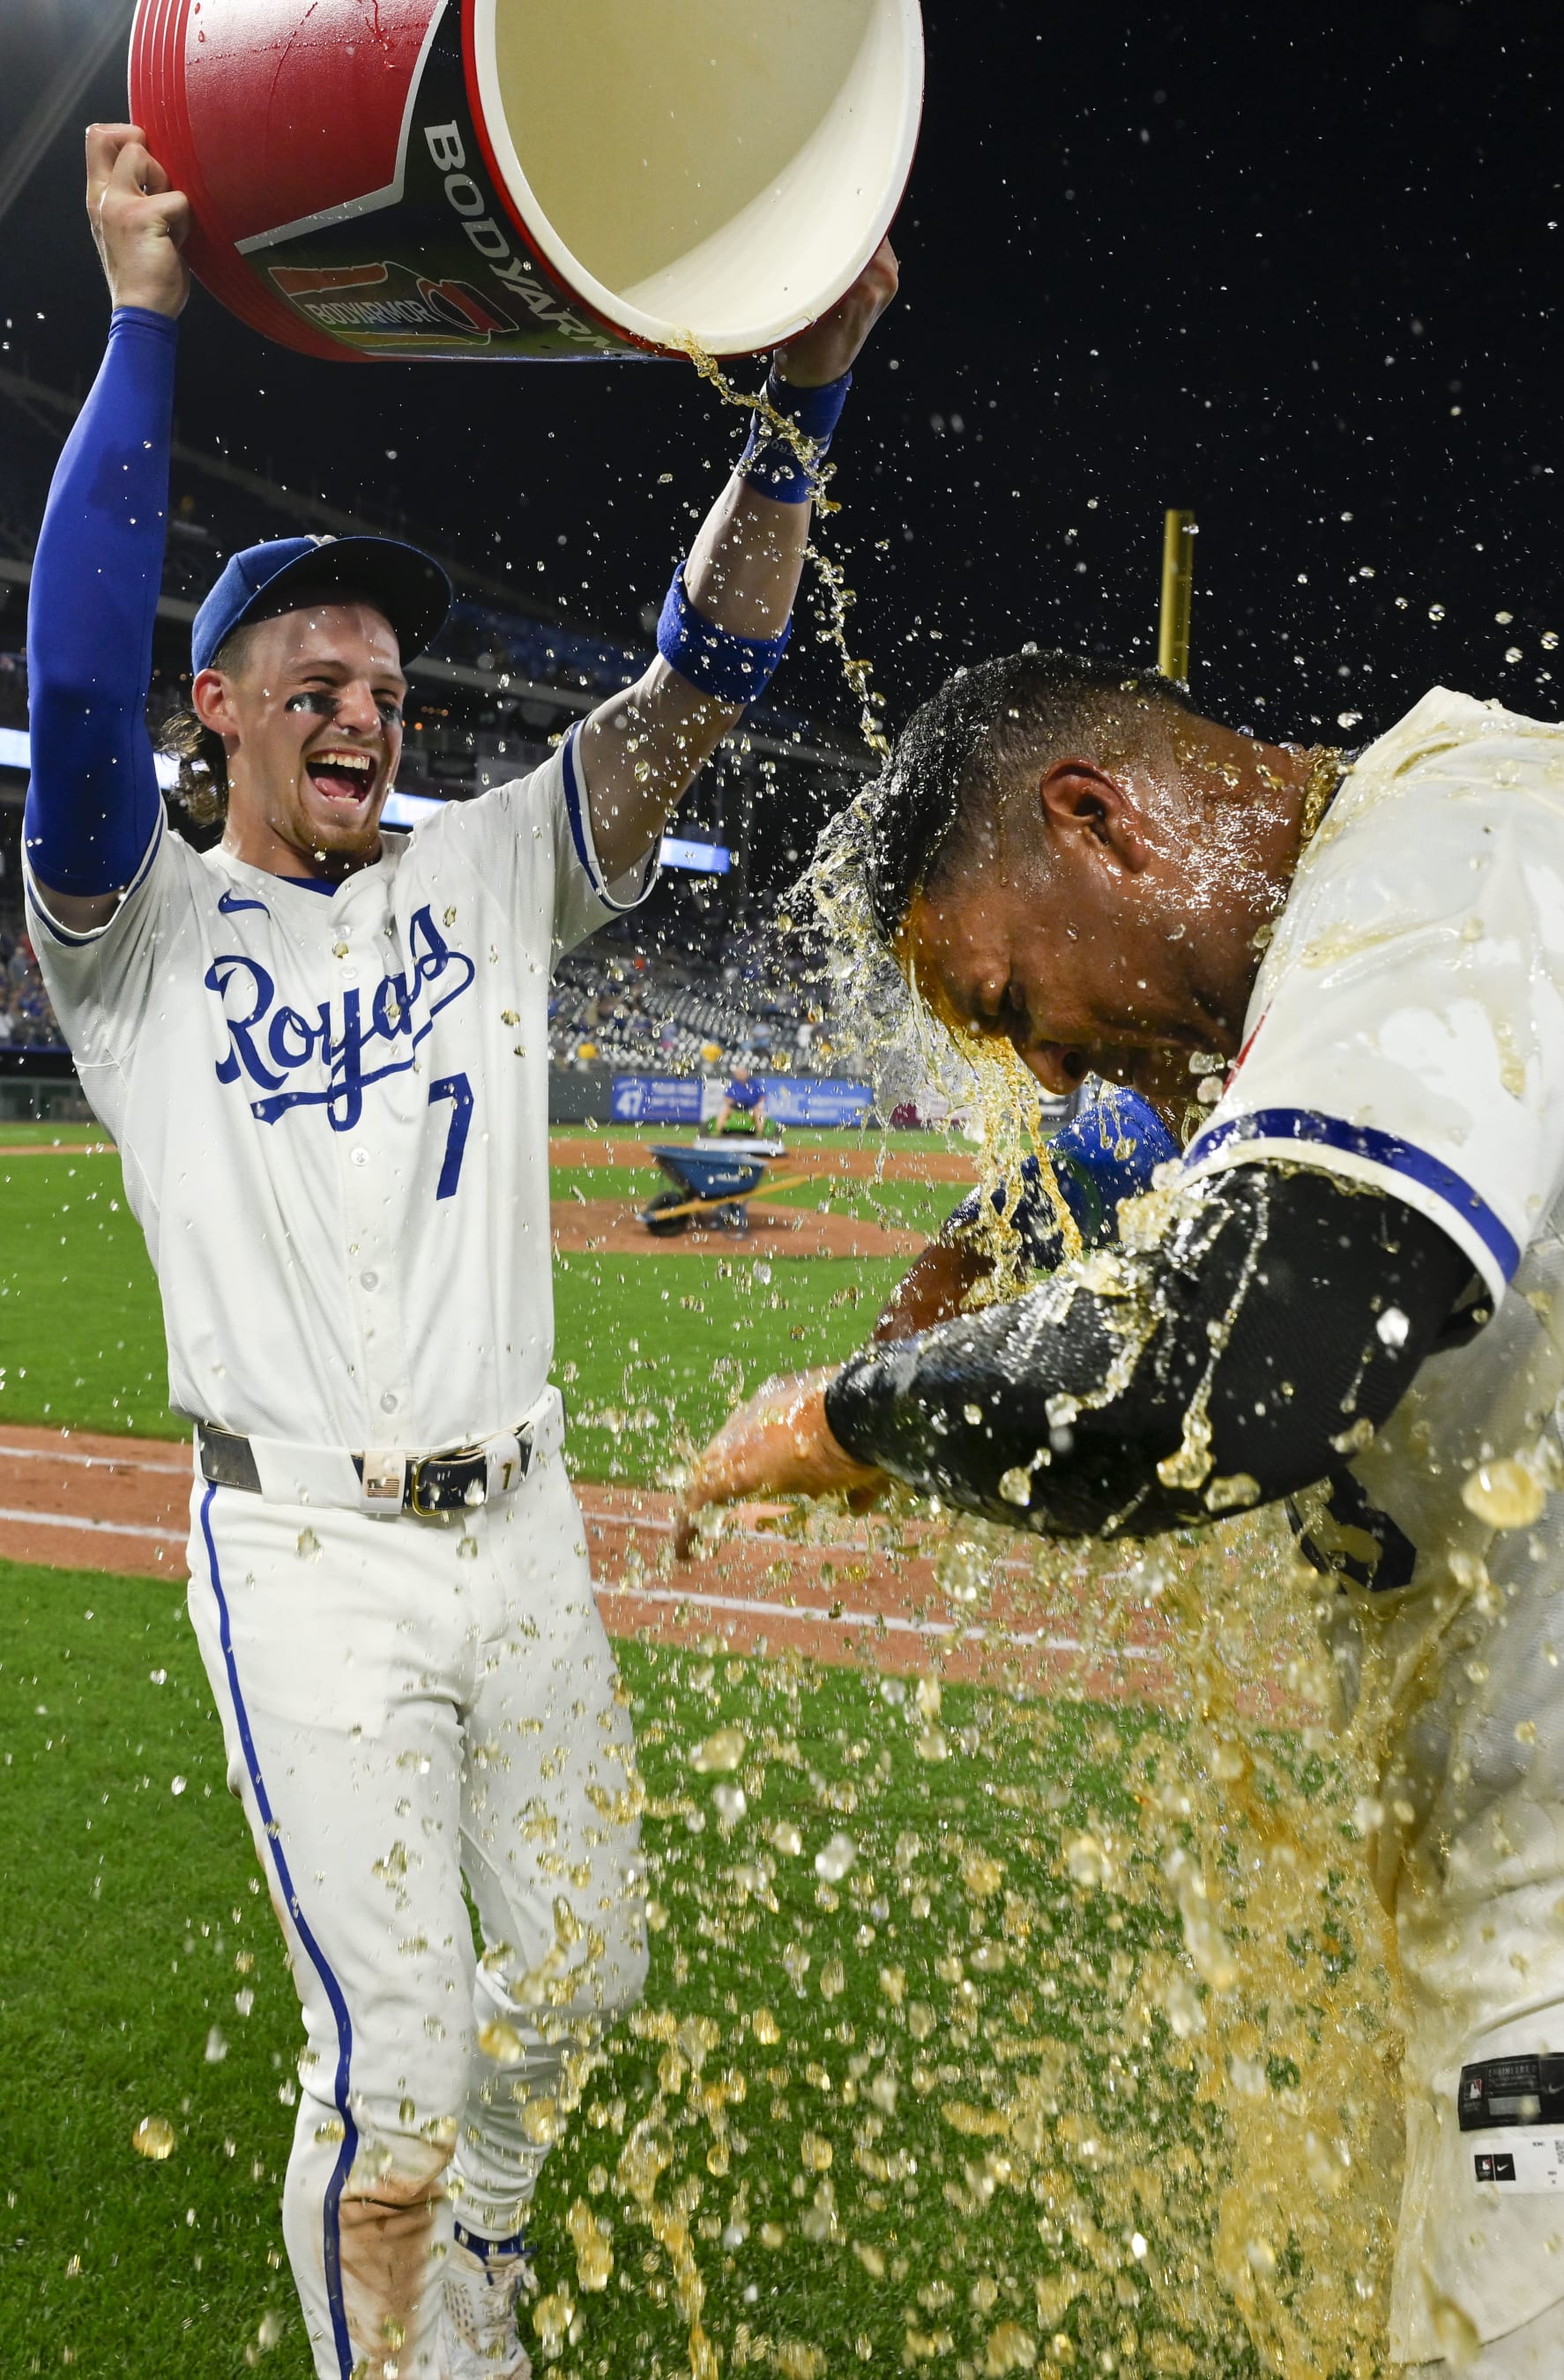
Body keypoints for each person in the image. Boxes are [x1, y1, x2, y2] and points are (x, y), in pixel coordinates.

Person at [27, 123, 896, 2380]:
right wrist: (143, 320)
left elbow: (698, 681)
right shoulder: (131, 935)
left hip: (519, 1529)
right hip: (307, 1554)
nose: (365, 697)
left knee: (587, 1966)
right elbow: (79, 653)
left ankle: (480, 2244)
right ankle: (411, 2323)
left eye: (386, 676)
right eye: (307, 667)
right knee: (392, 2074)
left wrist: (800, 406)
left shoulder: (486, 871)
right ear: (208, 708)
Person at [681, 647, 1564, 2376]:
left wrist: (848, 1419)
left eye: (1016, 1004)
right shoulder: (1375, 905)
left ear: (1096, 821)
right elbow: (1136, 1149)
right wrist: (986, 1240)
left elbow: (1228, 1364)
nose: (1050, 1066)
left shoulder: (1453, 869)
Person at [708, 1057, 769, 1136]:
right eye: (738, 1073)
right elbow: (727, 1098)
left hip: (751, 1107)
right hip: (735, 1107)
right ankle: (718, 1132)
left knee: (758, 1114)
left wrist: (758, 1104)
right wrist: (730, 1102)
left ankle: (760, 1133)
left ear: (746, 1073)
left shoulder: (754, 1083)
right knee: (724, 1111)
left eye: (741, 1073)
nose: (739, 1075)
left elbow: (762, 1096)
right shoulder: (734, 1084)